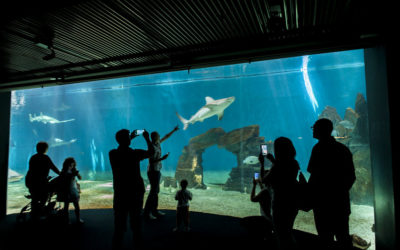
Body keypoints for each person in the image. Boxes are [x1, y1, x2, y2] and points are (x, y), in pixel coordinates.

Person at [307, 118, 356, 249]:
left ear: (321, 130)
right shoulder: (343, 149)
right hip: (341, 203)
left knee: (325, 239)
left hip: (322, 204)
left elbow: (314, 175)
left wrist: (310, 195)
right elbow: (351, 177)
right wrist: (341, 192)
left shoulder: (317, 149)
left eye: (315, 127)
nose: (313, 129)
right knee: (343, 237)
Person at [109, 129, 153, 249]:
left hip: (120, 192)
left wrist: (129, 138)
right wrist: (147, 138)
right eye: (128, 137)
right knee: (136, 222)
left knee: (119, 224)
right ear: (128, 140)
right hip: (135, 192)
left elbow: (122, 146)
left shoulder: (112, 154)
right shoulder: (135, 153)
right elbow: (151, 152)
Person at [262, 137, 300, 249]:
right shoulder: (294, 163)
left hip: (280, 203)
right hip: (292, 202)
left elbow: (265, 180)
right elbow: (285, 170)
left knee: (281, 233)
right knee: (288, 230)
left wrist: (262, 164)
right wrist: (274, 161)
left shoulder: (277, 166)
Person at [143, 125, 179, 220]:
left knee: (156, 191)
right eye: (158, 135)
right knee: (153, 192)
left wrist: (174, 130)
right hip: (152, 171)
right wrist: (162, 158)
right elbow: (151, 161)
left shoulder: (158, 144)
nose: (160, 136)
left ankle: (154, 210)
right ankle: (147, 212)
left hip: (157, 170)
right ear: (155, 137)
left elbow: (166, 136)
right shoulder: (152, 146)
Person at [25, 141, 60, 220]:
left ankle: (34, 214)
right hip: (41, 182)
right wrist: (61, 174)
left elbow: (31, 171)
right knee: (45, 196)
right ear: (46, 149)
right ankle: (40, 211)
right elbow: (53, 167)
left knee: (35, 198)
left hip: (30, 181)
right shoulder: (45, 157)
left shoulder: (33, 157)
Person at [240, 170, 273, 240]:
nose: (261, 178)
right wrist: (260, 184)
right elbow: (264, 192)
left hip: (266, 220)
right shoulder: (271, 189)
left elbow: (253, 199)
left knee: (244, 221)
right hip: (271, 219)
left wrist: (254, 185)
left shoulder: (265, 191)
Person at [58, 157, 83, 224]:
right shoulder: (63, 172)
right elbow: (65, 179)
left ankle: (78, 219)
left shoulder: (73, 171)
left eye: (72, 165)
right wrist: (73, 175)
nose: (71, 167)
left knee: (76, 205)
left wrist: (77, 174)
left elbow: (80, 178)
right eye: (69, 165)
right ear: (66, 165)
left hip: (73, 190)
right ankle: (67, 220)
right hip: (66, 191)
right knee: (66, 206)